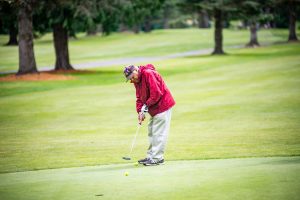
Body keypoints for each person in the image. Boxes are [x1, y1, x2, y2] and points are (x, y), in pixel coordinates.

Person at [123, 64, 175, 166]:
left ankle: (157, 158)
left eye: (132, 77)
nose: (132, 80)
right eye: (130, 79)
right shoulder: (136, 81)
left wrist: (146, 105)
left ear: (136, 71)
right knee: (151, 131)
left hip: (163, 105)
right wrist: (140, 111)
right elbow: (139, 97)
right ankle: (151, 156)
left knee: (158, 133)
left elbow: (156, 93)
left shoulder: (148, 73)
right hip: (154, 108)